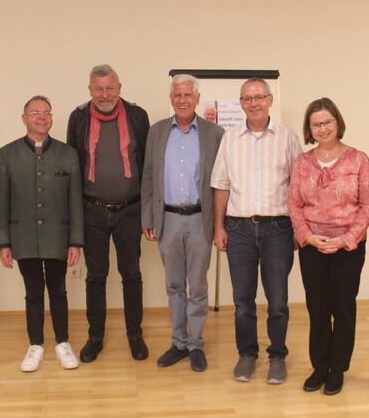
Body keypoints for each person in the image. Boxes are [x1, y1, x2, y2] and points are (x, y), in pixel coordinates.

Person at [211, 77, 302, 384]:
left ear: (270, 100)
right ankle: (247, 354)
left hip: (278, 228)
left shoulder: (287, 138)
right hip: (239, 229)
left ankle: (277, 356)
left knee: (277, 301)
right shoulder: (230, 138)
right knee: (242, 300)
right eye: (248, 99)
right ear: (241, 104)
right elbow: (221, 185)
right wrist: (219, 227)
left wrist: (299, 227)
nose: (254, 104)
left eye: (259, 97)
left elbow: (298, 186)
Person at [288, 98, 369, 395]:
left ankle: (337, 369)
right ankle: (320, 366)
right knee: (317, 307)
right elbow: (294, 205)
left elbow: (368, 205)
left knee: (343, 307)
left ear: (337, 123)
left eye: (327, 122)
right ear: (309, 129)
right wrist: (308, 236)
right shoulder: (302, 162)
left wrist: (346, 239)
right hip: (312, 246)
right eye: (316, 124)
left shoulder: (359, 160)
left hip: (348, 247)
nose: (323, 128)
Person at [66, 64, 150, 362]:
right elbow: (73, 167)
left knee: (131, 274)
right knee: (96, 276)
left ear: (119, 88)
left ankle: (135, 334)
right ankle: (95, 337)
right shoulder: (78, 118)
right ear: (90, 90)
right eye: (98, 89)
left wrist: (148, 212)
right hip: (92, 212)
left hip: (130, 210)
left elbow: (147, 166)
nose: (104, 94)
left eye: (110, 88)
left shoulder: (137, 116)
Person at [141, 75, 224, 372]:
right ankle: (178, 343)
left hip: (201, 219)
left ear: (197, 98)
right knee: (174, 285)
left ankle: (195, 344)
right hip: (169, 220)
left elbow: (222, 182)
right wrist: (148, 217)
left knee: (197, 286)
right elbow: (148, 177)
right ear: (171, 99)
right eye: (177, 95)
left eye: (188, 95)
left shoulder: (215, 133)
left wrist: (220, 224)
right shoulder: (157, 131)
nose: (183, 100)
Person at [0, 96, 84, 372]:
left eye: (46, 113)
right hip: (23, 235)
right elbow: (2, 201)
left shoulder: (68, 154)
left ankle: (62, 343)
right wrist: (4, 242)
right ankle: (35, 345)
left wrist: (75, 241)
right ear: (24, 118)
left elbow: (75, 201)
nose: (42, 117)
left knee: (58, 290)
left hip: (58, 235)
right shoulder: (7, 154)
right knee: (33, 292)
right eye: (35, 113)